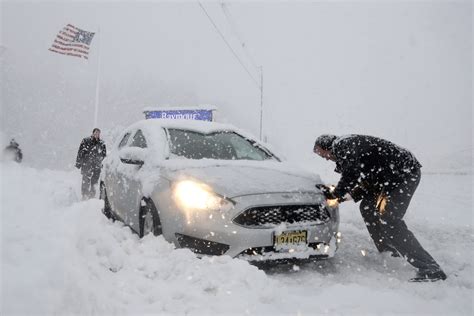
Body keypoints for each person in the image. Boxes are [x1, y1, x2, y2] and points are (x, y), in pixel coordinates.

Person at [313, 134, 446, 282]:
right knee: (368, 208)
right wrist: (343, 196)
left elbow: (351, 174)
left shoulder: (343, 145)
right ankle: (389, 252)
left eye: (322, 154)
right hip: (387, 177)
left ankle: (430, 269)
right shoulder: (351, 148)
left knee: (390, 220)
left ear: (326, 146)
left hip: (403, 175)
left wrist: (336, 193)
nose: (325, 158)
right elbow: (367, 179)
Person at [76, 128, 106, 199]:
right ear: (92, 133)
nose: (97, 134)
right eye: (96, 133)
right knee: (85, 180)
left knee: (94, 181)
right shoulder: (86, 141)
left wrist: (103, 164)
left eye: (98, 133)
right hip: (86, 165)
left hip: (97, 166)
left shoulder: (101, 143)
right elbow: (80, 152)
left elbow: (104, 155)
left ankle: (92, 195)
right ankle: (84, 195)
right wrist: (78, 163)